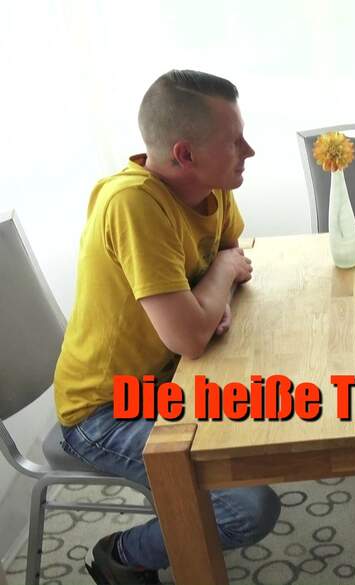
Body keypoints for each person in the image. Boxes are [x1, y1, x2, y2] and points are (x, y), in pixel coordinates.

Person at [54, 70, 280, 584]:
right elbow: (193, 334)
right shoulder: (133, 204)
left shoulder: (212, 188)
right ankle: (120, 555)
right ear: (184, 154)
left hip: (171, 379)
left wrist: (213, 293)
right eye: (234, 141)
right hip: (105, 410)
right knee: (249, 508)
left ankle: (189, 507)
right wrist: (217, 284)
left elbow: (232, 254)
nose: (248, 151)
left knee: (287, 411)